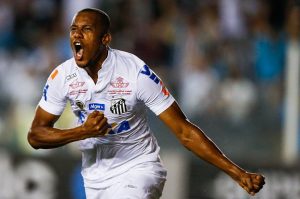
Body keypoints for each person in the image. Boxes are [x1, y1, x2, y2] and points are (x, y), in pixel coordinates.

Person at [27, 8, 265, 199]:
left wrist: (237, 173)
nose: (77, 35)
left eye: (86, 29)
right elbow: (36, 136)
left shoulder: (135, 73)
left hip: (139, 169)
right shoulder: (62, 77)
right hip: (94, 179)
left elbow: (184, 131)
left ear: (105, 39)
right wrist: (82, 131)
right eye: (74, 30)